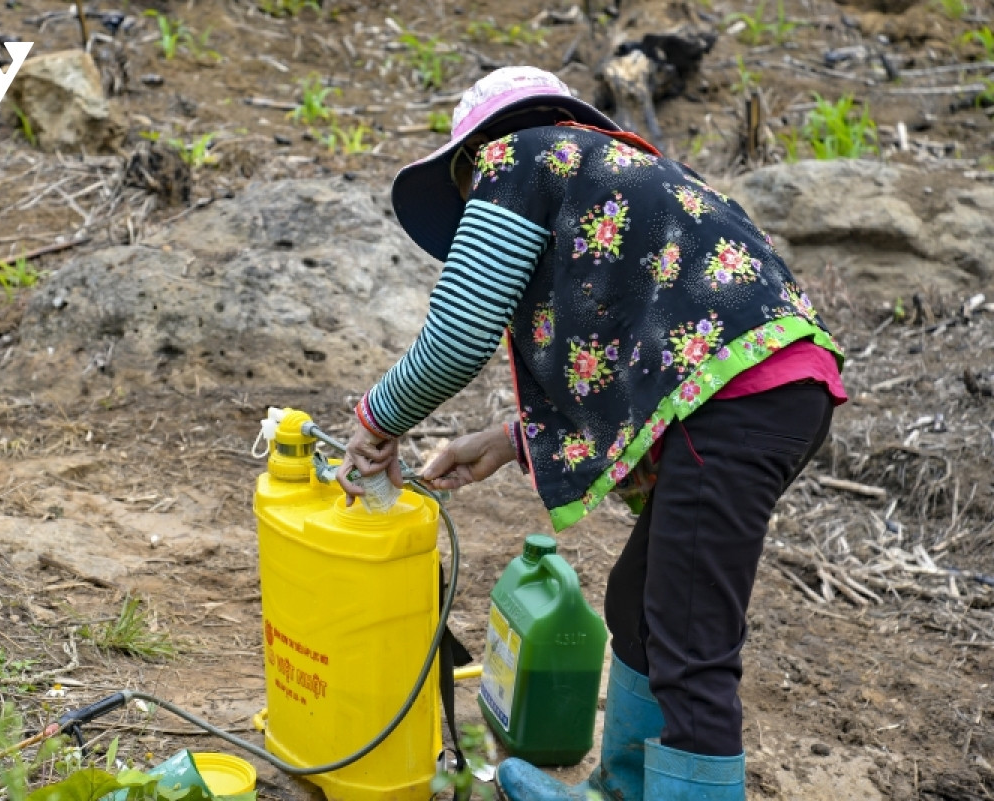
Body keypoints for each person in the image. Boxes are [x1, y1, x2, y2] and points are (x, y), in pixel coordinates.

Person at [337, 66, 847, 801]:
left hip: (735, 403)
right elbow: (640, 341)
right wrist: (510, 440)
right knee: (637, 603)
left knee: (690, 643)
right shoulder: (609, 174)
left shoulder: (513, 161)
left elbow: (458, 334)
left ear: (472, 160)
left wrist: (375, 420)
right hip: (767, 390)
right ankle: (623, 789)